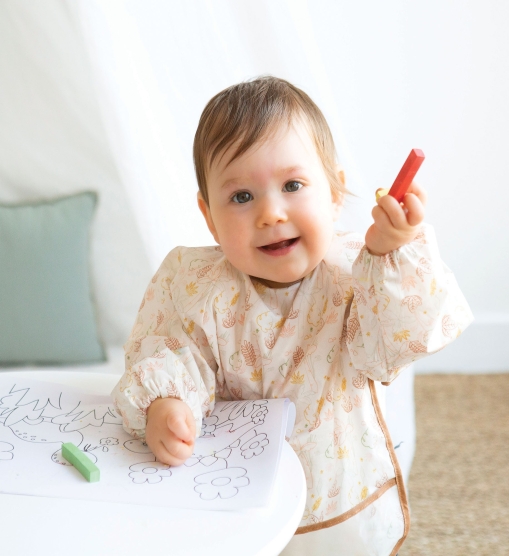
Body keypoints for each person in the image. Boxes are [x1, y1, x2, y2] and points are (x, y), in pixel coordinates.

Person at [112, 76, 472, 555]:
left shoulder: (356, 275)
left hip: (334, 487)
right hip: (231, 485)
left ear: (335, 194)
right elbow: (174, 351)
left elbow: (395, 341)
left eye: (293, 185)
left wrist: (391, 252)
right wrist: (167, 405)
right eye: (241, 197)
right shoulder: (197, 284)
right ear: (208, 216)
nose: (270, 213)